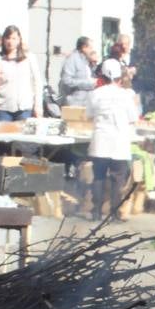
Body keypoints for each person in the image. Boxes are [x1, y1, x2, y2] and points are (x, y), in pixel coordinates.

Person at [86, 59, 139, 220]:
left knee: (99, 176)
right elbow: (133, 118)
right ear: (120, 77)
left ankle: (96, 211)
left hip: (101, 139)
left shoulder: (94, 94)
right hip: (119, 141)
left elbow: (88, 115)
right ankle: (114, 213)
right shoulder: (126, 95)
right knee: (118, 178)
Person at [0, 25, 41, 122]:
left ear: (19, 40)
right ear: (3, 40)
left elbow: (37, 82)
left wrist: (38, 105)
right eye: (8, 38)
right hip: (3, 109)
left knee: (21, 136)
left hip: (24, 109)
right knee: (3, 137)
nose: (10, 41)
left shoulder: (29, 58)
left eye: (14, 38)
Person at [59, 36, 97, 108]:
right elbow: (66, 81)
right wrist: (89, 83)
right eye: (90, 48)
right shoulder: (72, 60)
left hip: (85, 103)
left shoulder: (84, 61)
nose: (91, 50)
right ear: (84, 47)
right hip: (74, 103)